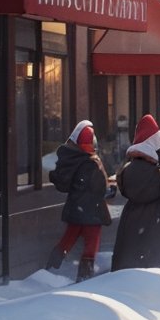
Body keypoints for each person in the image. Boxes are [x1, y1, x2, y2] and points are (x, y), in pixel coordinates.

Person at [110, 114, 160, 270]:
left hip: (130, 223)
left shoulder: (127, 171)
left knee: (128, 272)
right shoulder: (159, 174)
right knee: (154, 277)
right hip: (155, 225)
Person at [47, 119, 111, 282]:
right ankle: (84, 277)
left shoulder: (74, 158)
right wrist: (110, 190)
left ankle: (50, 269)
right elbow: (99, 187)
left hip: (77, 208)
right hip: (92, 210)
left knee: (68, 239)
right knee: (91, 244)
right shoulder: (90, 162)